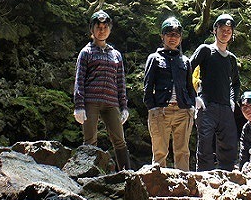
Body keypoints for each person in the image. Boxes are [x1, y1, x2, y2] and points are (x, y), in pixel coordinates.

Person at [73, 10, 130, 170]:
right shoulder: (86, 52)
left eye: (105, 27)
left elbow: (120, 82)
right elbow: (80, 79)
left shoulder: (116, 55)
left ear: (110, 30)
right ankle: (87, 175)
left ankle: (128, 176)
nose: (102, 30)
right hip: (91, 101)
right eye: (98, 27)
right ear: (92, 29)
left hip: (112, 103)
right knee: (90, 140)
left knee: (119, 140)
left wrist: (124, 107)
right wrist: (79, 105)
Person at [142, 16, 196, 170]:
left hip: (182, 111)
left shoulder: (185, 61)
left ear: (180, 38)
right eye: (169, 34)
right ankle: (158, 186)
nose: (173, 38)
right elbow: (148, 85)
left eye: (176, 35)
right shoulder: (154, 58)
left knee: (183, 152)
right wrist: (152, 108)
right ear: (162, 36)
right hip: (161, 110)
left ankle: (185, 185)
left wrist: (191, 106)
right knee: (159, 152)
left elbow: (189, 86)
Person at [190, 13, 241, 171]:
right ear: (214, 30)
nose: (225, 32)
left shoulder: (231, 58)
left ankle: (228, 179)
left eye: (228, 30)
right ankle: (203, 179)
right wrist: (194, 97)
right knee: (205, 145)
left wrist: (233, 100)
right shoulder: (205, 50)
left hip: (226, 108)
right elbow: (187, 71)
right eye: (222, 29)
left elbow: (236, 83)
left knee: (229, 146)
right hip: (207, 106)